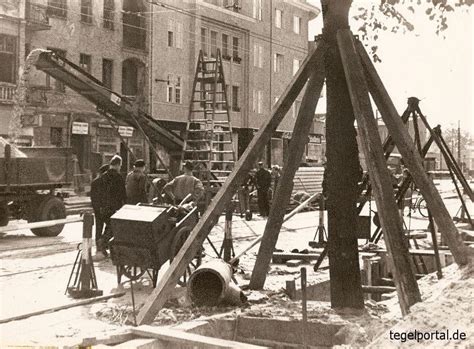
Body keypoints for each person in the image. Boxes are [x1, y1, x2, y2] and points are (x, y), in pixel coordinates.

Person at [101, 155, 126, 251]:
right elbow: (122, 193)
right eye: (120, 166)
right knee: (113, 226)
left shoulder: (104, 176)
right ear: (117, 165)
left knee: (109, 226)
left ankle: (104, 244)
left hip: (104, 206)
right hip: (115, 207)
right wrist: (124, 204)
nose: (120, 168)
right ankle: (105, 244)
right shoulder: (118, 177)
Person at [90, 164, 109, 257]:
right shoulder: (105, 182)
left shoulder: (94, 182)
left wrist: (96, 208)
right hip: (104, 208)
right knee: (110, 225)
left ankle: (98, 247)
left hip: (97, 209)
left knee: (98, 227)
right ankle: (103, 244)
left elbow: (92, 197)